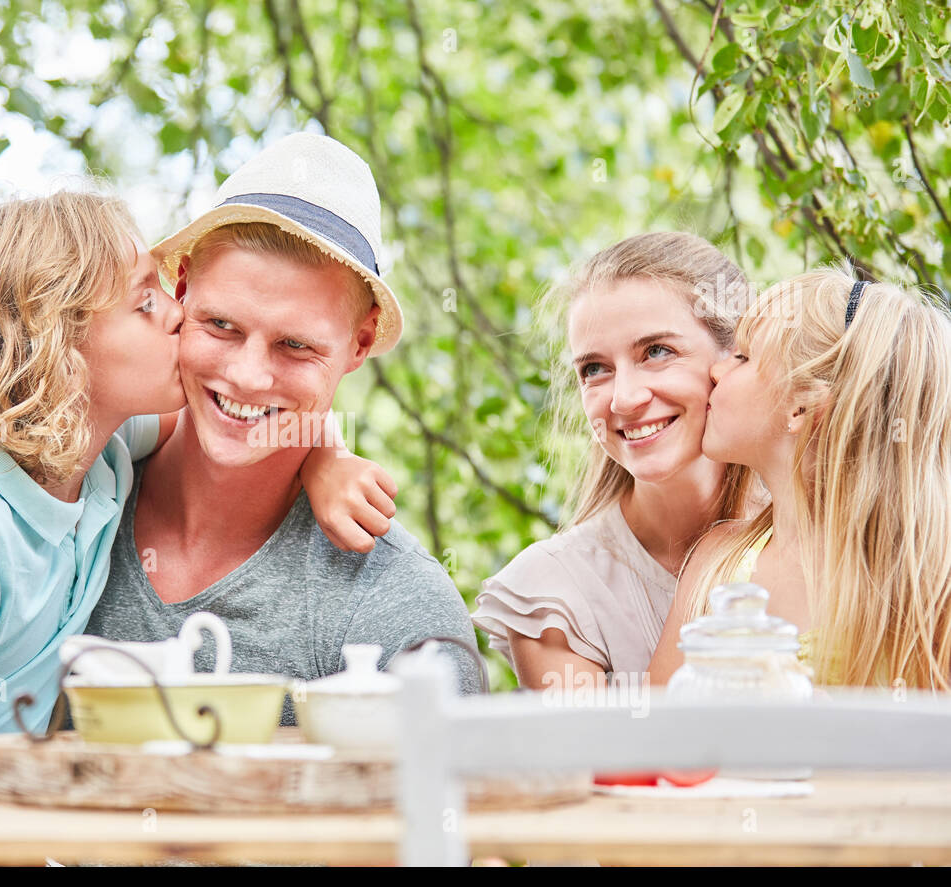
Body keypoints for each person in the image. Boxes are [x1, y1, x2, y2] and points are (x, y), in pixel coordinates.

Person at [0, 188, 398, 760]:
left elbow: (262, 425)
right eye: (145, 302)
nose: (178, 314)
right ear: (59, 350)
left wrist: (325, 458)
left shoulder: (101, 453)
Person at [85, 132, 482, 718]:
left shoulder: (399, 607)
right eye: (221, 325)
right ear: (183, 288)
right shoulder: (74, 504)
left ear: (361, 342)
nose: (247, 377)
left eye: (295, 346)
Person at [471, 233, 760, 688]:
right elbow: (619, 760)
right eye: (594, 369)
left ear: (735, 356)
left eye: (657, 352)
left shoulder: (816, 535)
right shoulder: (553, 597)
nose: (624, 400)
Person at [648, 266, 951, 690]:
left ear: (802, 409)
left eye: (744, 357)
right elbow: (655, 741)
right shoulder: (715, 563)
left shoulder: (932, 589)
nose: (716, 372)